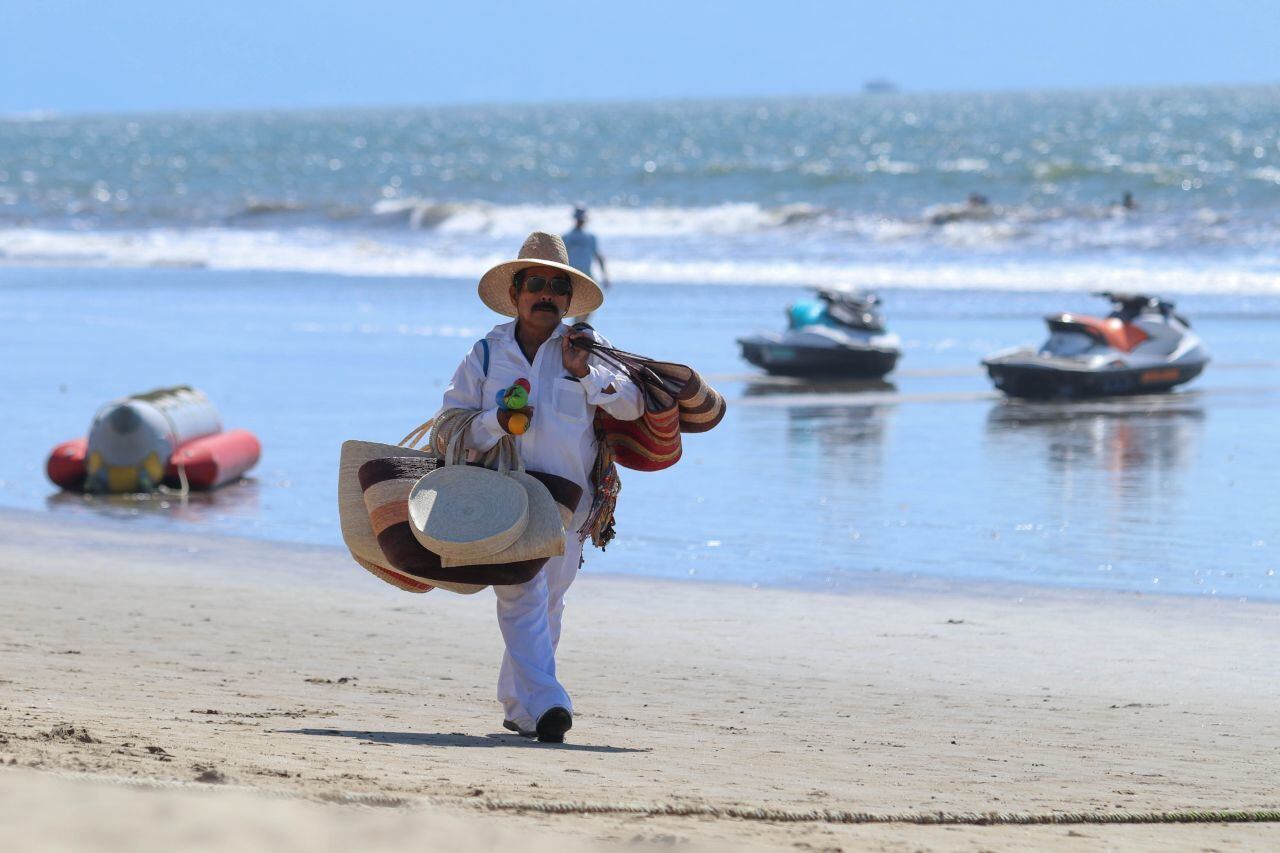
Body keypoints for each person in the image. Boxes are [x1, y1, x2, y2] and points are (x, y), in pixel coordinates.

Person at [439, 231, 642, 743]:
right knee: (521, 595)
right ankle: (551, 703)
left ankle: (519, 706)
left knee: (549, 599)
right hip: (506, 496)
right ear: (516, 294)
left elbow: (633, 405)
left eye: (557, 286)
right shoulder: (486, 353)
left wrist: (586, 377)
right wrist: (495, 424)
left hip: (574, 503)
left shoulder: (587, 350)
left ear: (568, 299)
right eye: (536, 285)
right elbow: (449, 426)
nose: (546, 294)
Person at [562, 207, 609, 315]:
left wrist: (605, 275)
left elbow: (598, 256)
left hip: (587, 275)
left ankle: (577, 328)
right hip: (571, 275)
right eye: (579, 219)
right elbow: (560, 257)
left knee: (588, 307)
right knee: (573, 306)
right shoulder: (567, 236)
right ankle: (575, 327)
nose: (580, 221)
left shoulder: (590, 237)